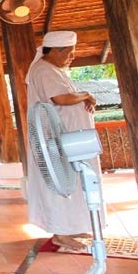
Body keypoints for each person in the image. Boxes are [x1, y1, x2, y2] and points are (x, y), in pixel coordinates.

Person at [25, 30, 101, 251]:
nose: (72, 57)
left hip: (67, 141)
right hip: (56, 142)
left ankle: (72, 225)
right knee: (60, 185)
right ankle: (61, 232)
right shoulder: (43, 70)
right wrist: (85, 94)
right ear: (56, 51)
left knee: (75, 182)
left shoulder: (53, 70)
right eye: (69, 52)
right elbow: (60, 99)